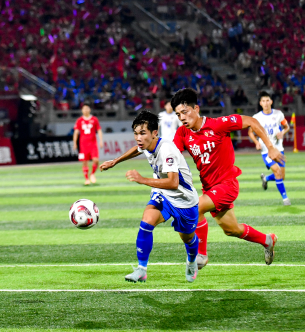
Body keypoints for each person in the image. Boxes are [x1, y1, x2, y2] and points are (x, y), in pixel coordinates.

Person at [107, 88, 279, 269]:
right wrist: (117, 160)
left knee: (195, 207)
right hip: (209, 188)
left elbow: (251, 121)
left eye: (185, 112)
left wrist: (270, 147)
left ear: (196, 109)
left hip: (227, 184)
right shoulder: (183, 133)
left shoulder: (218, 125)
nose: (182, 117)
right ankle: (267, 240)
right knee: (231, 229)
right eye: (178, 114)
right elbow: (156, 146)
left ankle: (201, 255)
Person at [100, 110, 200, 283]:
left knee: (188, 238)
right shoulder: (147, 144)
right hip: (162, 194)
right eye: (136, 133)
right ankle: (142, 269)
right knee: (146, 221)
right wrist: (115, 161)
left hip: (184, 200)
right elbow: (137, 150)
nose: (138, 138)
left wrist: (142, 180)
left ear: (155, 133)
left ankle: (192, 261)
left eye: (142, 133)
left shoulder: (166, 150)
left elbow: (173, 183)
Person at [248, 92, 291, 205]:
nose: (266, 103)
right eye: (263, 101)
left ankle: (266, 178)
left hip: (278, 148)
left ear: (271, 101)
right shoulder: (256, 117)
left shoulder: (278, 114)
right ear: (260, 103)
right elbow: (250, 132)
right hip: (265, 150)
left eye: (267, 100)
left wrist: (282, 132)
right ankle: (285, 199)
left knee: (282, 176)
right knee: (277, 171)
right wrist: (257, 142)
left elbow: (286, 127)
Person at [73, 104, 103, 185]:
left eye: (87, 108)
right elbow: (76, 132)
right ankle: (86, 179)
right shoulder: (79, 120)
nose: (86, 110)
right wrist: (75, 142)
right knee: (84, 162)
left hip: (93, 143)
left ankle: (92, 173)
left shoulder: (94, 119)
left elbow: (99, 130)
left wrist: (101, 140)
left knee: (96, 160)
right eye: (84, 109)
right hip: (83, 144)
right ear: (82, 110)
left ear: (90, 109)